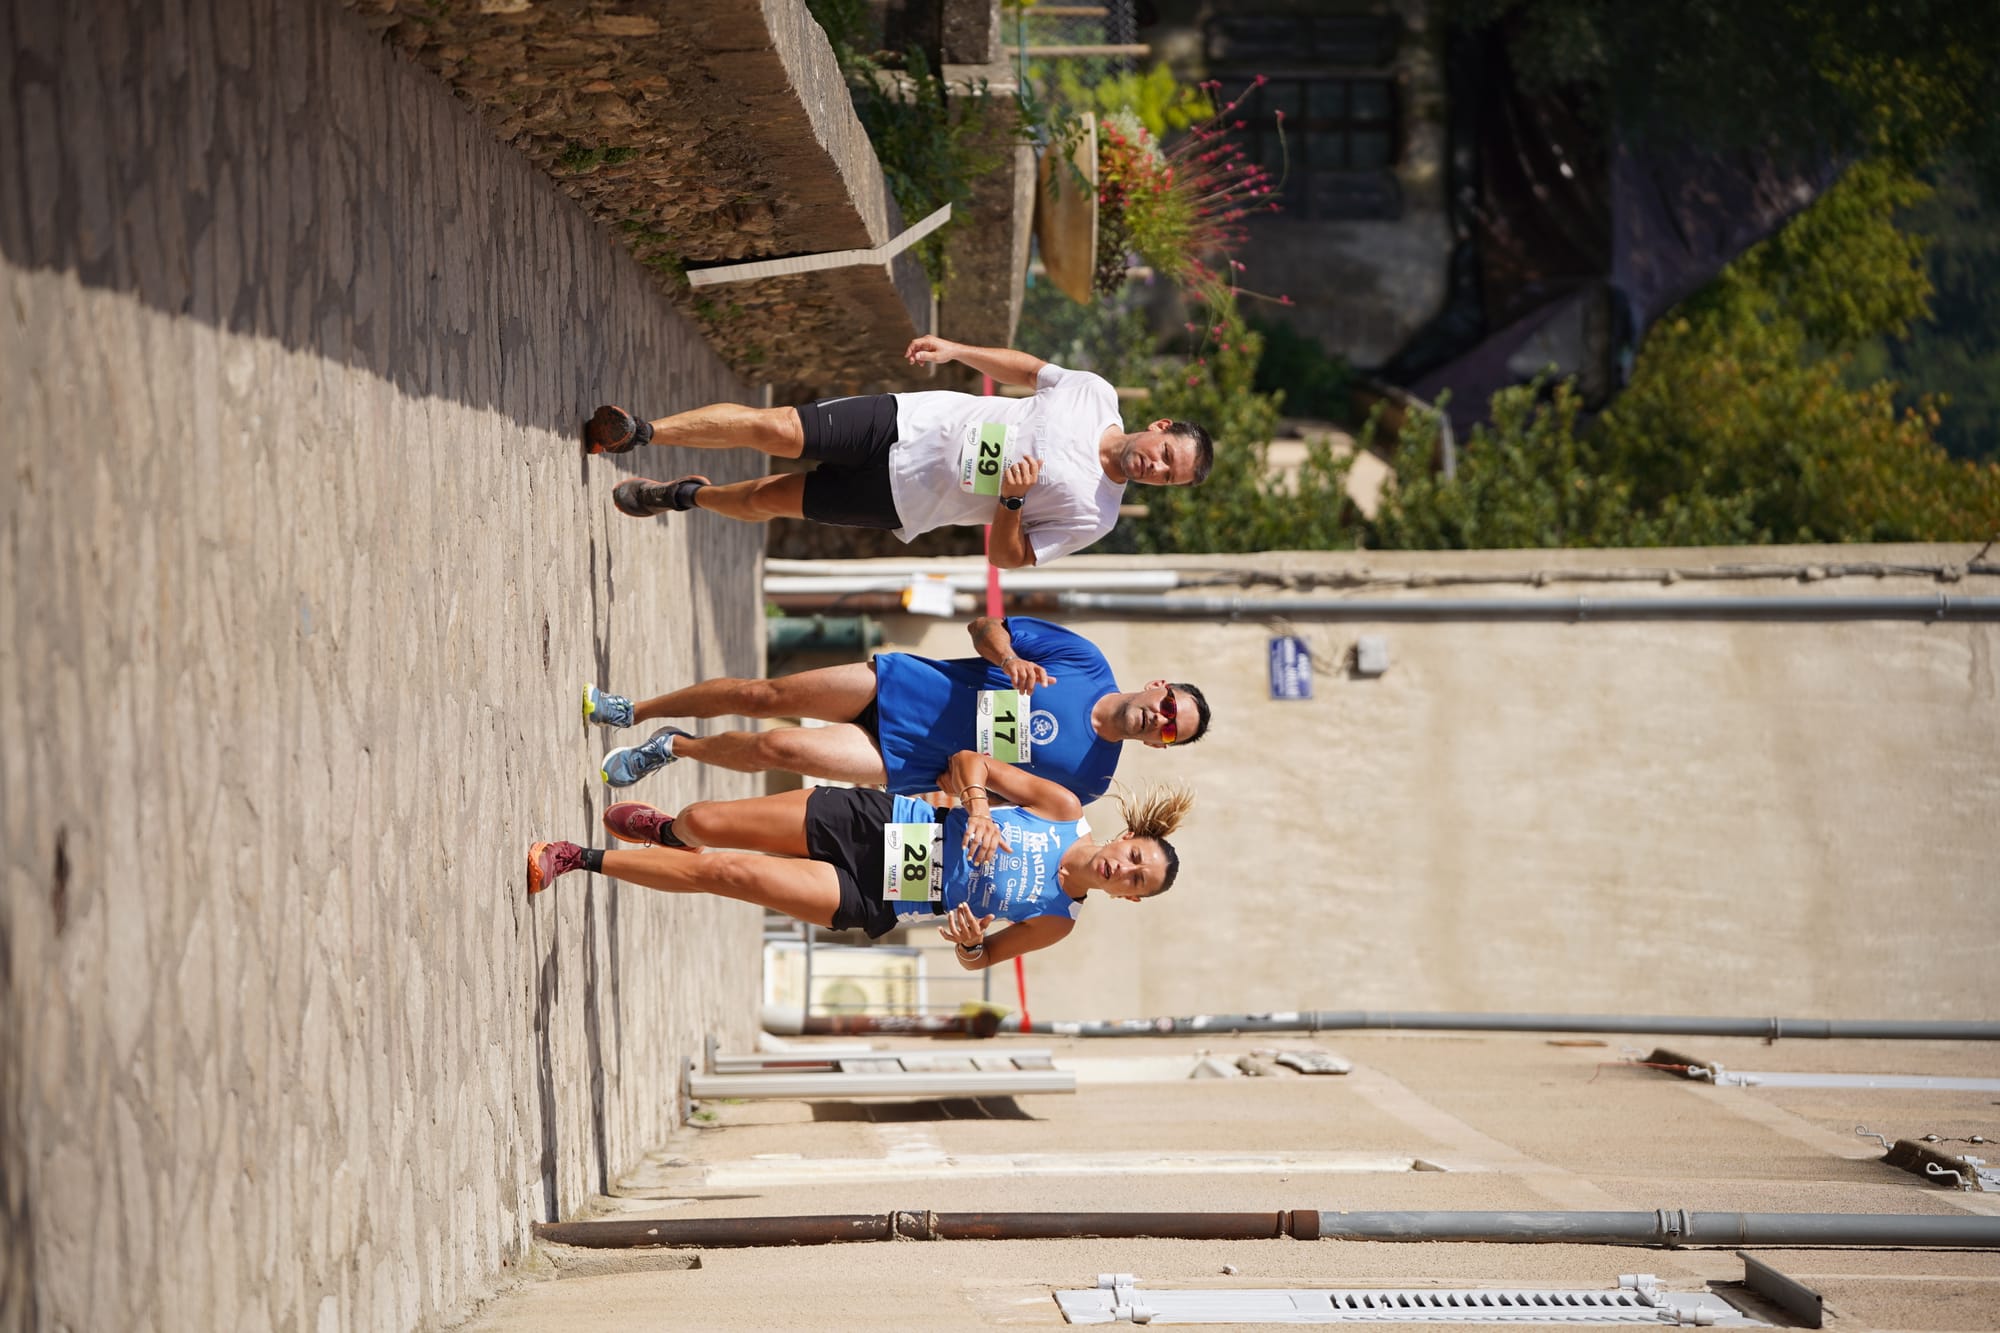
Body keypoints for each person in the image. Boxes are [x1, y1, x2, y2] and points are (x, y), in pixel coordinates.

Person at [583, 335, 1214, 568]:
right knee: (772, 428)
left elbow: (1008, 559)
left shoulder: (1095, 515)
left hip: (902, 499)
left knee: (767, 498)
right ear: (1159, 427)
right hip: (905, 421)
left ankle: (684, 495)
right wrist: (958, 351)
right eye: (1165, 455)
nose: (1154, 468)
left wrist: (1014, 502)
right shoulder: (1094, 394)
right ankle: (640, 432)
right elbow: (1030, 368)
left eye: (1166, 478)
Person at [527, 749, 1194, 965]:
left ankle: (575, 857)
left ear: (1128, 898)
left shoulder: (1058, 921)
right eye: (1135, 854)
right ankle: (671, 831)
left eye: (1138, 879)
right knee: (707, 825)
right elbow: (968, 761)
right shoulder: (1059, 805)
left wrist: (970, 940)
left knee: (729, 872)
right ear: (1124, 835)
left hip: (883, 895)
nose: (1126, 867)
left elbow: (980, 957)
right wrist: (982, 808)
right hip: (880, 823)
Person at [581, 615, 1211, 800]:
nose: (1160, 719)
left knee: (779, 748)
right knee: (760, 696)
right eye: (1169, 706)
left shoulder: (1090, 779)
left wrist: (965, 796)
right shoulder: (1083, 659)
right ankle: (632, 709)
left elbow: (1017, 799)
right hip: (905, 688)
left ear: (1159, 746)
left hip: (905, 759)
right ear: (1158, 686)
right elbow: (984, 625)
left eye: (1168, 732)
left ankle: (671, 747)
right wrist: (1007, 659)